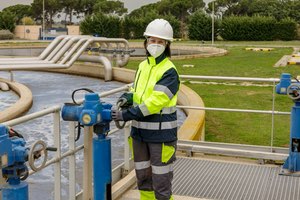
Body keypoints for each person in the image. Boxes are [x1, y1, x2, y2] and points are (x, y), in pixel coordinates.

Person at [112, 18, 180, 200]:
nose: (155, 44)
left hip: (161, 137)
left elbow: (154, 102)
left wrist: (125, 114)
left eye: (160, 41)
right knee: (143, 178)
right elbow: (139, 93)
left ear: (167, 45)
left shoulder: (169, 71)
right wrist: (127, 97)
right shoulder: (143, 66)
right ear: (146, 42)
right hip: (140, 134)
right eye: (152, 40)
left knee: (161, 182)